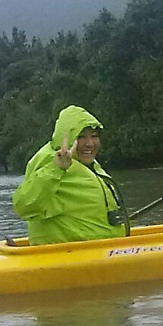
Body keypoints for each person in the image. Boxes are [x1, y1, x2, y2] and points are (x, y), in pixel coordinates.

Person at [12, 105, 128, 245]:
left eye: (94, 136)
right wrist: (56, 168)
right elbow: (25, 206)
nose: (90, 143)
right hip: (70, 257)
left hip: (103, 251)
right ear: (66, 139)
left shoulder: (89, 165)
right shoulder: (53, 163)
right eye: (81, 137)